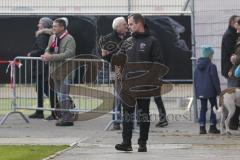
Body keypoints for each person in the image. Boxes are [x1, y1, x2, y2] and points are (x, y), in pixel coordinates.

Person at [115, 13, 165, 152]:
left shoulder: (152, 41)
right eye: (128, 24)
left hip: (145, 85)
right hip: (128, 85)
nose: (129, 27)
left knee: (143, 114)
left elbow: (158, 63)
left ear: (139, 23)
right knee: (127, 114)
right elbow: (118, 61)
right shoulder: (127, 41)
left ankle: (142, 143)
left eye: (131, 24)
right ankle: (126, 143)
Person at [41, 18, 76, 126]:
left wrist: (50, 57)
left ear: (62, 27)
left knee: (63, 95)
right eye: (53, 26)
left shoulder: (70, 39)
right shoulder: (52, 37)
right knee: (61, 95)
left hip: (66, 72)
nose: (53, 28)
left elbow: (68, 54)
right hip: (55, 71)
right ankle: (68, 113)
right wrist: (47, 54)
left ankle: (67, 119)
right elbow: (47, 49)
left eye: (55, 26)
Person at [99, 17, 129, 130]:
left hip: (128, 69)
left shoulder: (129, 36)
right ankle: (116, 121)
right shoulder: (108, 38)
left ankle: (131, 120)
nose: (127, 26)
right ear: (118, 26)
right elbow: (105, 56)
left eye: (127, 24)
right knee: (118, 95)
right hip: (115, 69)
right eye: (124, 24)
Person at [28, 17, 58, 120]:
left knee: (47, 89)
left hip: (42, 67)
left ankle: (55, 112)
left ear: (44, 25)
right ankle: (40, 111)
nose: (38, 25)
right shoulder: (48, 35)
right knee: (40, 89)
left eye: (39, 23)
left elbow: (41, 50)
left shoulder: (43, 36)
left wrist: (31, 53)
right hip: (43, 67)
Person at [194, 45, 221, 134]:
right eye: (212, 55)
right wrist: (219, 92)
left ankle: (202, 127)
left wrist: (197, 92)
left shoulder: (197, 67)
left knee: (203, 108)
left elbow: (196, 80)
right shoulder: (212, 66)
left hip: (201, 91)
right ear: (210, 56)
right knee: (214, 107)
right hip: (211, 91)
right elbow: (215, 80)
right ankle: (212, 126)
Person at [221, 15, 240, 130]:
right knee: (232, 98)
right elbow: (230, 54)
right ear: (232, 22)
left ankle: (233, 123)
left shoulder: (234, 34)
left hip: (234, 70)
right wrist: (231, 69)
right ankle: (230, 124)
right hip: (231, 71)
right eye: (237, 21)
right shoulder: (229, 35)